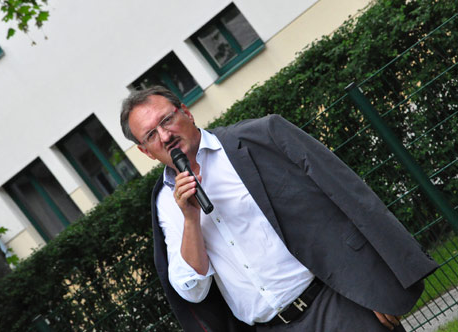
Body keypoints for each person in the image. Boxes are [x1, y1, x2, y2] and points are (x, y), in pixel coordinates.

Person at [120, 86, 438, 332]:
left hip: (336, 305)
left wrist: (372, 287)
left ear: (186, 113)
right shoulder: (165, 203)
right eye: (151, 134)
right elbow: (192, 291)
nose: (165, 135)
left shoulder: (262, 136)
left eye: (167, 120)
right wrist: (191, 220)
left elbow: (346, 197)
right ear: (145, 151)